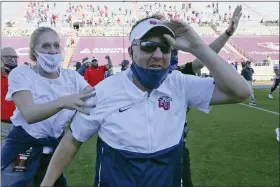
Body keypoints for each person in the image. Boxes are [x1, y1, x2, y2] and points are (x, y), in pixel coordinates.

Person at [41, 15, 250, 187]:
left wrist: (197, 46)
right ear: (131, 51)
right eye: (149, 46)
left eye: (166, 47)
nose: (158, 55)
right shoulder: (103, 92)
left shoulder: (180, 84)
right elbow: (72, 140)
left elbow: (240, 92)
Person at [1, 27, 95, 187]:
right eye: (45, 46)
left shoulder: (72, 77)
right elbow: (29, 114)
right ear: (33, 51)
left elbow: (94, 98)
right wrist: (63, 101)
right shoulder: (21, 74)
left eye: (56, 45)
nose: (52, 51)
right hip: (23, 147)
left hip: (54, 148)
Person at [171, 5, 243, 186]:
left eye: (173, 51)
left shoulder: (181, 76)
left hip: (175, 152)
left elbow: (204, 57)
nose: (169, 55)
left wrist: (227, 33)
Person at [1, 47, 18, 140]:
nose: (13, 61)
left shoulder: (20, 76)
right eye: (8, 58)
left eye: (15, 58)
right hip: (3, 125)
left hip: (18, 125)